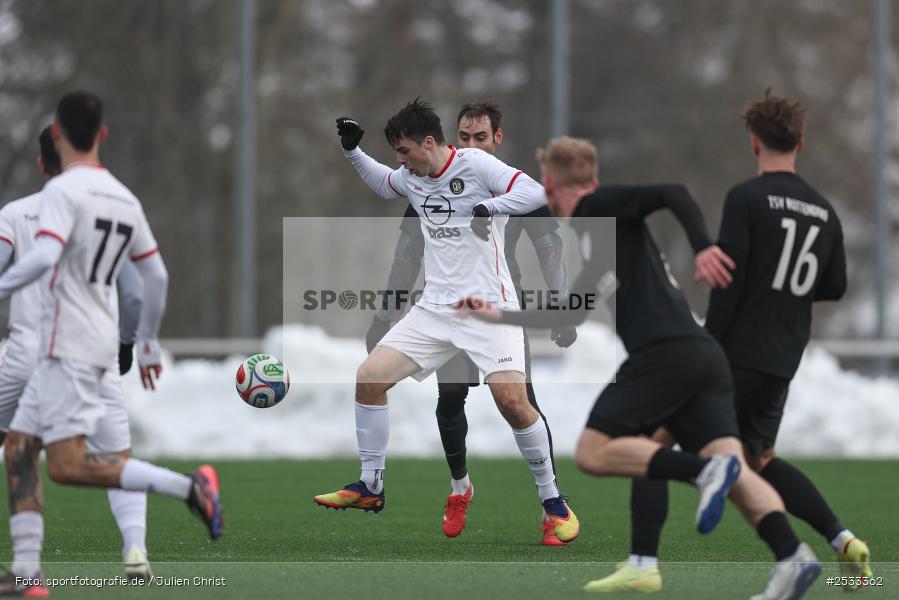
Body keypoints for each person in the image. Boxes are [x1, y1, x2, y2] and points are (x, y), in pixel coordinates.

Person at [459, 136, 822, 600]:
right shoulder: (604, 240)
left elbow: (673, 191)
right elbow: (567, 315)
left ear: (550, 185)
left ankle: (698, 476)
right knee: (736, 469)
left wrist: (704, 247)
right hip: (701, 355)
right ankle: (791, 556)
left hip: (665, 355)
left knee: (593, 452)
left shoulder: (596, 206)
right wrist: (498, 315)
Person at [588, 89, 871, 595]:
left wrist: (707, 344)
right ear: (801, 143)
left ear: (754, 143)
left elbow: (728, 278)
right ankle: (841, 539)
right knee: (759, 459)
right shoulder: (825, 211)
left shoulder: (747, 197)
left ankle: (643, 562)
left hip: (733, 352)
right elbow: (834, 286)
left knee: (648, 441)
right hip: (783, 357)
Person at [313, 99, 579, 545]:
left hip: (488, 308)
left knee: (512, 402)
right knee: (369, 378)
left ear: (429, 143)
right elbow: (383, 184)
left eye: (404, 151)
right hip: (434, 310)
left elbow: (536, 193)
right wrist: (352, 152)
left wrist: (491, 208)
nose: (400, 163)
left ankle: (554, 502)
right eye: (396, 154)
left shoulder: (476, 165)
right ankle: (370, 486)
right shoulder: (413, 177)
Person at [0, 92, 222, 597]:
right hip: (98, 341)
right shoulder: (123, 196)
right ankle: (27, 577)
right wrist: (146, 341)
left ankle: (188, 486)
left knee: (65, 465)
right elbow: (156, 275)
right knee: (18, 449)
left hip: (66, 347)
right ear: (102, 135)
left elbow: (40, 258)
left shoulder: (62, 190)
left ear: (57, 134)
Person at [0, 127, 154, 582]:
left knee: (20, 452)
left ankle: (28, 567)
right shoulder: (100, 208)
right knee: (115, 455)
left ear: (40, 162)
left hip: (26, 352)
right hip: (91, 352)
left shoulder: (15, 213)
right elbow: (136, 289)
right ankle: (135, 550)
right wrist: (128, 340)